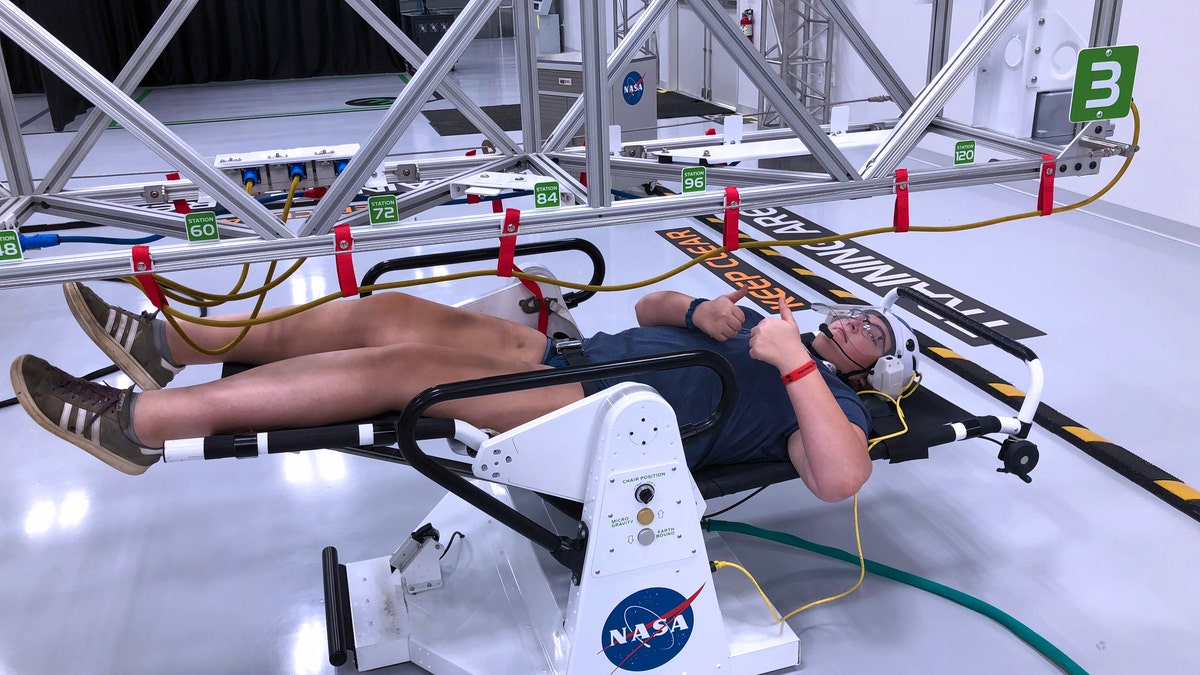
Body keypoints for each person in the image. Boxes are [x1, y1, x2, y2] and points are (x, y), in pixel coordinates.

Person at [10, 281, 917, 502]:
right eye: (858, 316)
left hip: (605, 416)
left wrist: (797, 363)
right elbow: (647, 303)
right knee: (385, 313)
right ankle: (169, 343)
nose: (855, 326)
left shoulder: (827, 396)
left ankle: (140, 423)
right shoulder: (763, 320)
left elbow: (837, 479)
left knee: (410, 378)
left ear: (871, 371)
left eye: (872, 338)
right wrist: (697, 306)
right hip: (571, 354)